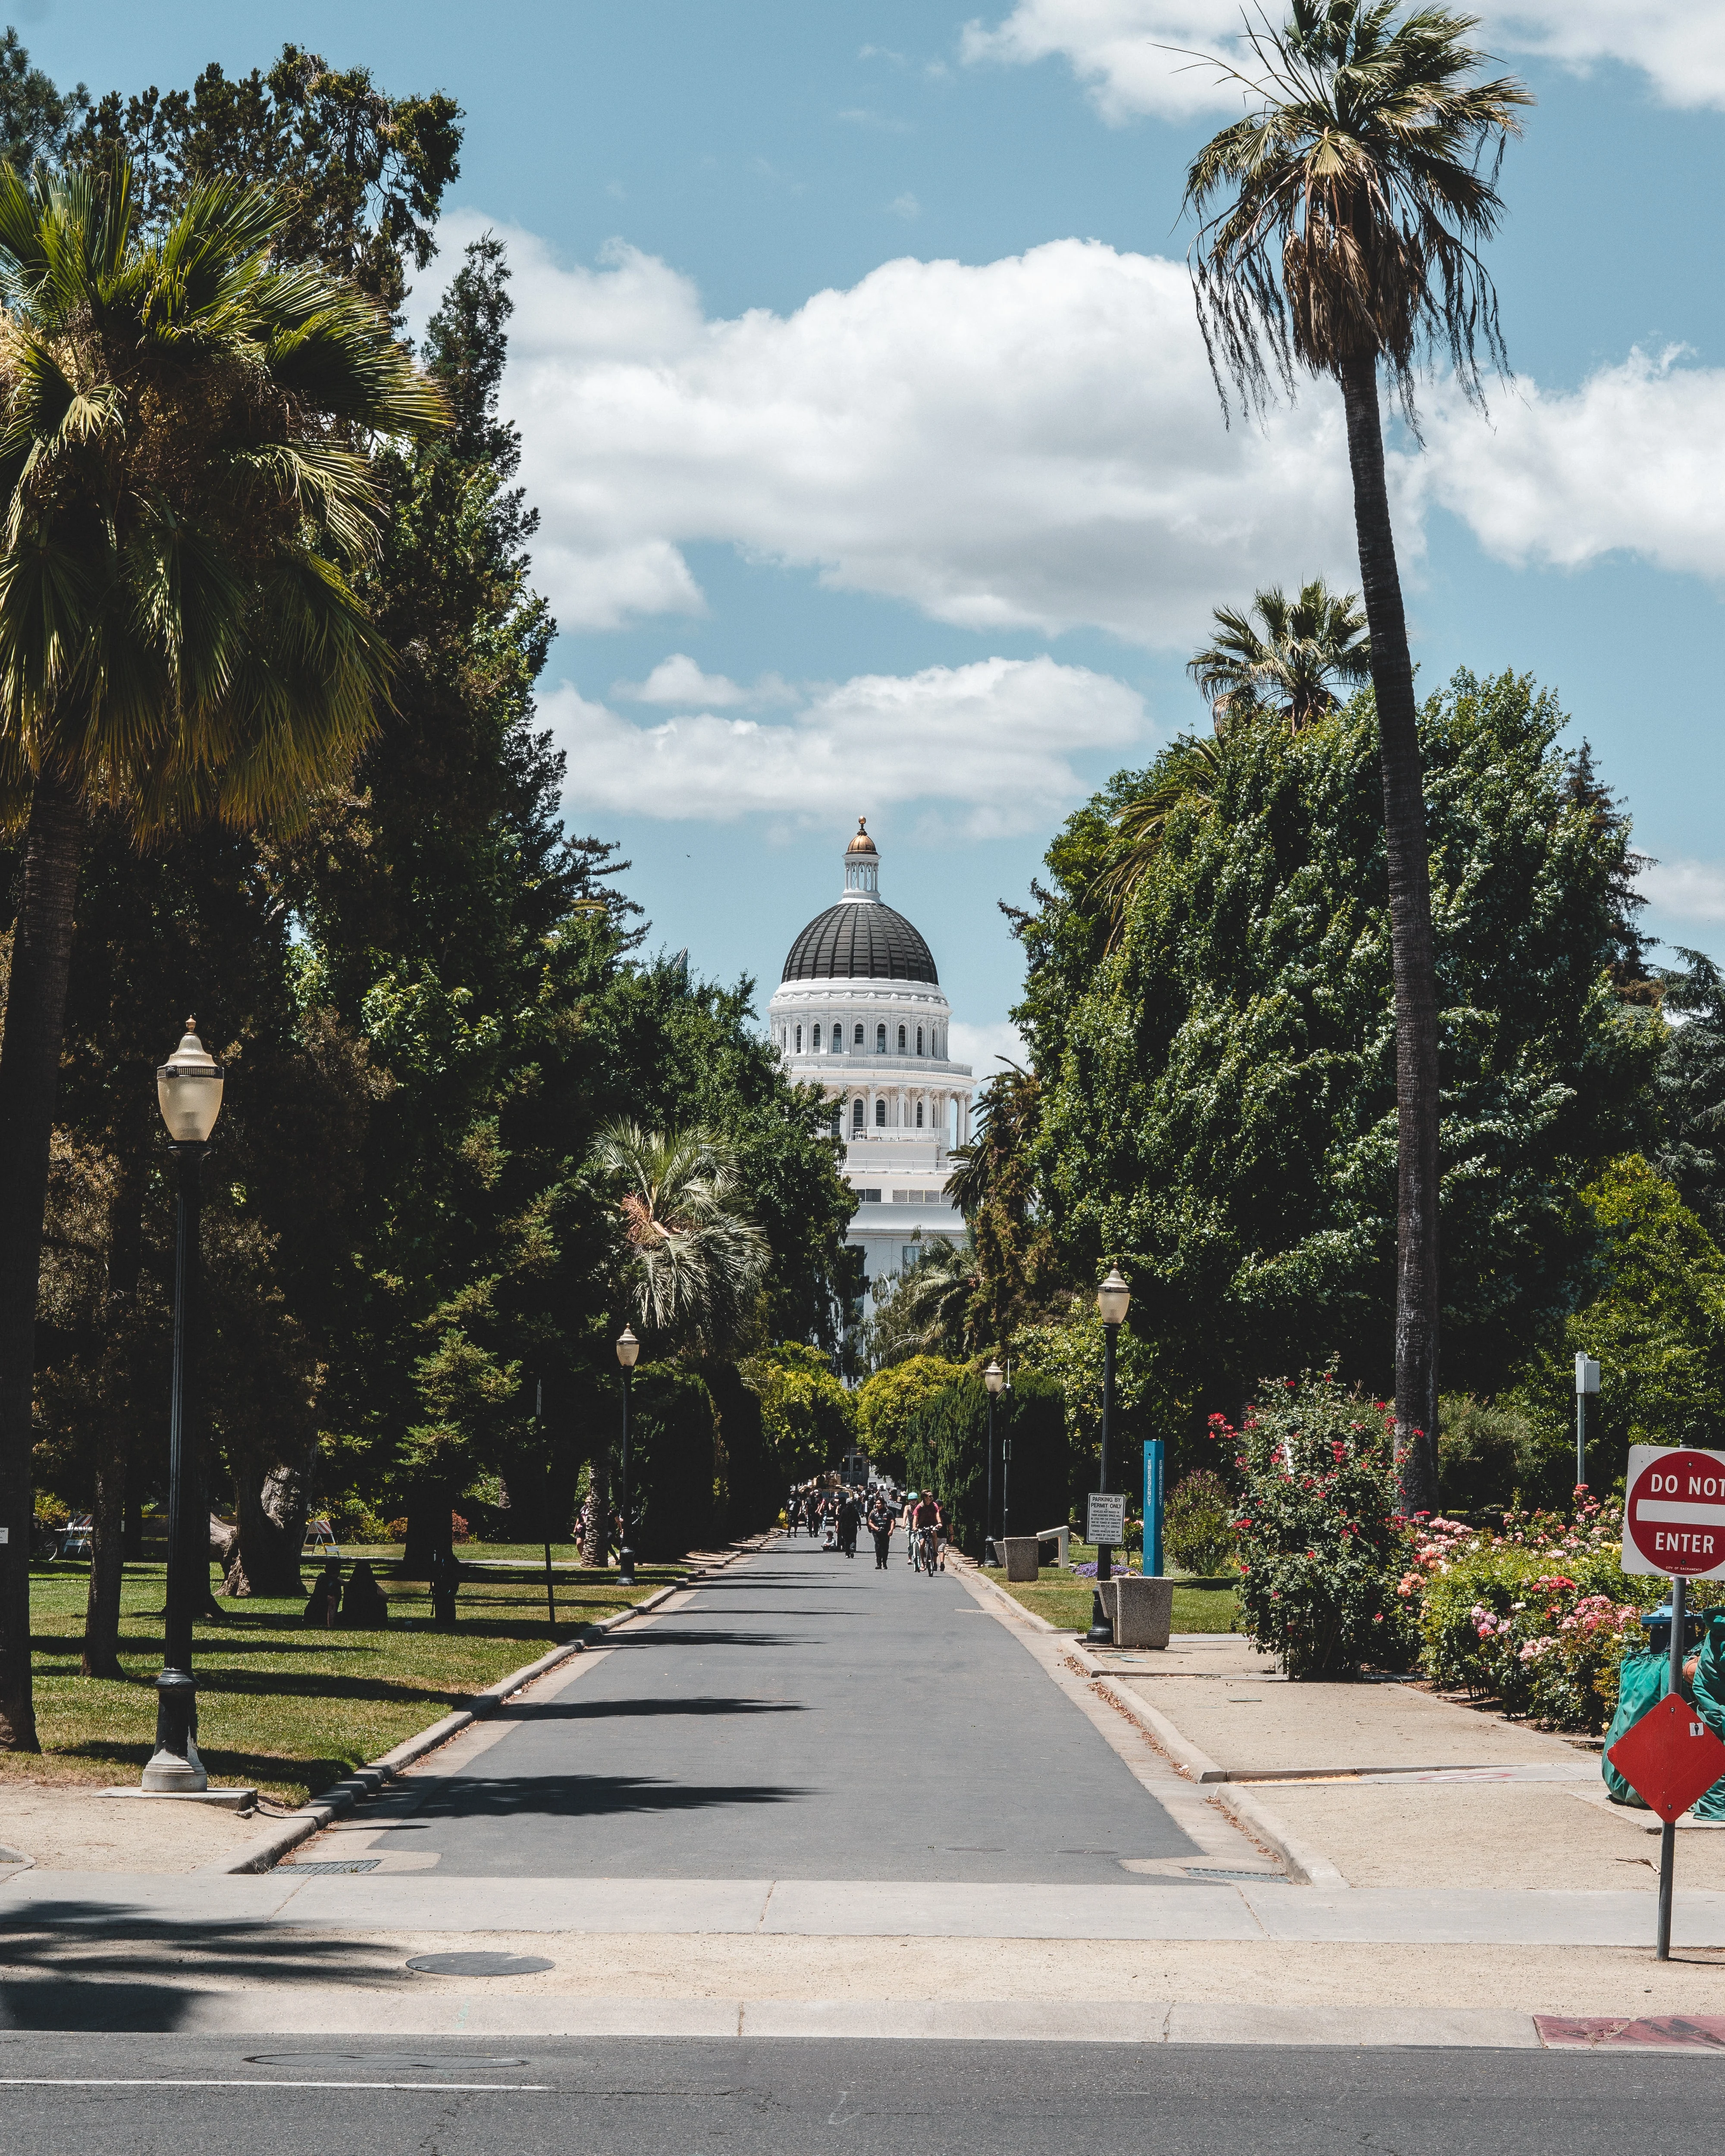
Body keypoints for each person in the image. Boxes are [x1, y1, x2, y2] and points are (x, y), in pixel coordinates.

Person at [867, 1493, 894, 1570]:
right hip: (877, 1533)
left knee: (885, 1548)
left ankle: (885, 1563)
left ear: (883, 1504)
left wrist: (891, 1530)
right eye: (876, 1503)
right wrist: (875, 1528)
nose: (877, 1505)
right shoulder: (874, 1513)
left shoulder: (889, 1512)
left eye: (879, 1504)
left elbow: (893, 1521)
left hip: (886, 1533)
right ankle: (879, 1564)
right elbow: (870, 1522)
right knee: (878, 1547)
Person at [836, 1488, 860, 1559]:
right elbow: (858, 1518)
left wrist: (838, 1528)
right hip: (853, 1527)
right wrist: (860, 1525)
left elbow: (840, 1520)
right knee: (853, 1539)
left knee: (846, 1541)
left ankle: (847, 1554)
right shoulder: (855, 1511)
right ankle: (852, 1548)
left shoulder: (844, 1511)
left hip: (845, 1528)